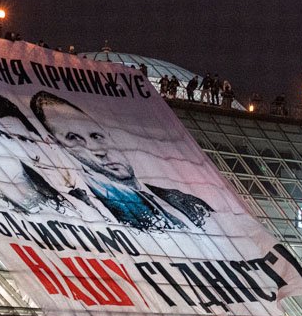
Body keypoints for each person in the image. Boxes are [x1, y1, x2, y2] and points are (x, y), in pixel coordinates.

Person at [31, 92, 212, 231]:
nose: (96, 150)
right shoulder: (87, 209)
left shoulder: (185, 200)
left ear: (110, 135)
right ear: (60, 147)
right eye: (74, 139)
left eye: (96, 135)